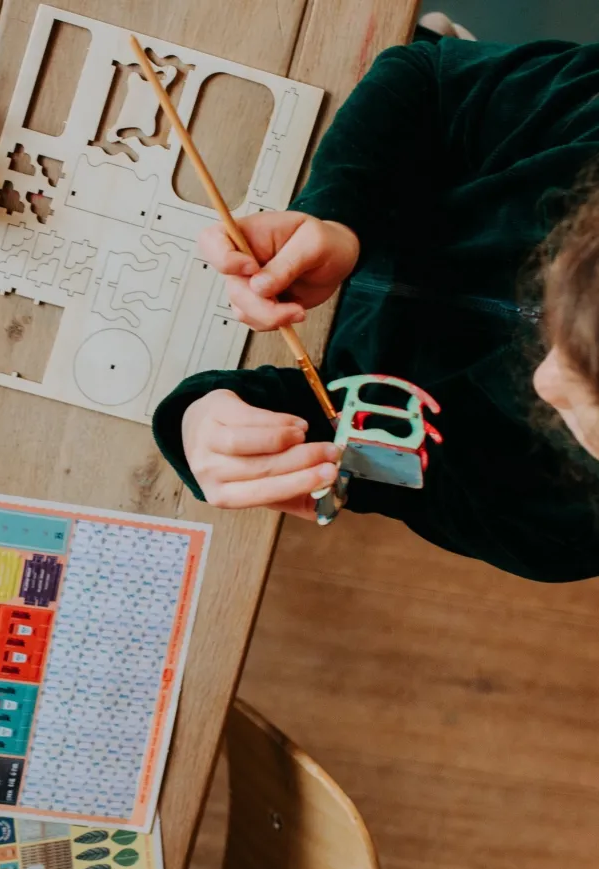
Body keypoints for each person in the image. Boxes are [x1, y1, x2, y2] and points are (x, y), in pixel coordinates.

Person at [152, 20, 599, 582]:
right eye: (561, 290)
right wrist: (338, 218)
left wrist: (203, 426)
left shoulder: (559, 526)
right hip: (380, 141)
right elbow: (425, 81)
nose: (545, 385)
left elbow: (346, 451)